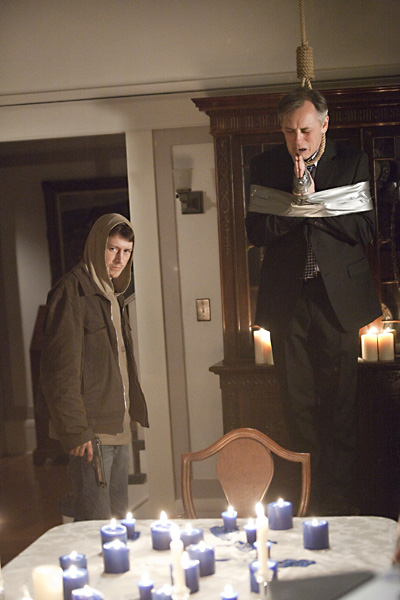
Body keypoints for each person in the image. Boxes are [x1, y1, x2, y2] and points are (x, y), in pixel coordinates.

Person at [245, 86, 381, 515]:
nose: (297, 141)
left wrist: (310, 207)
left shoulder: (352, 162)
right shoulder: (266, 166)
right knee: (297, 410)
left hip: (336, 301)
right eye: (289, 132)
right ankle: (308, 507)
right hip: (288, 302)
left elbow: (365, 230)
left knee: (340, 409)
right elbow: (256, 232)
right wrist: (297, 204)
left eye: (305, 130)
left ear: (324, 125)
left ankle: (339, 508)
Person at [40, 213, 149, 520]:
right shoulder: (71, 292)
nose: (119, 259)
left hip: (118, 427)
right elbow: (59, 373)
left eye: (126, 251)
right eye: (112, 249)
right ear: (96, 246)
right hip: (91, 433)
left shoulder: (113, 295)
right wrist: (76, 431)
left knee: (118, 521)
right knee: (94, 524)